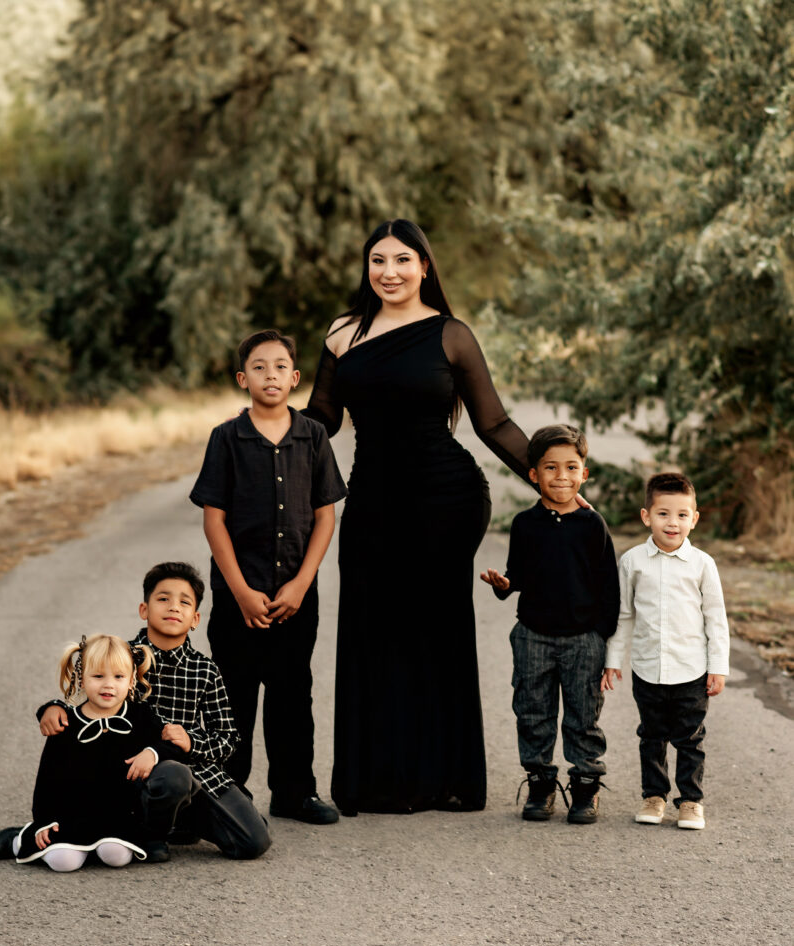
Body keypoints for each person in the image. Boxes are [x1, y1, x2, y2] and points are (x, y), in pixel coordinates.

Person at [304, 218, 536, 815]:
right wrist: (261, 425)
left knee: (435, 629)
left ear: (425, 266)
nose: (389, 272)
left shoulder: (450, 335)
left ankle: (442, 777)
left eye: (402, 260)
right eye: (378, 261)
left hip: (446, 498)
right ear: (367, 268)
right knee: (370, 628)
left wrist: (550, 480)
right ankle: (378, 779)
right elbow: (322, 420)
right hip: (373, 499)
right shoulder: (342, 334)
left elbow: (494, 424)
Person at [190, 329, 347, 825]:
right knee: (233, 693)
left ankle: (295, 792)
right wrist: (239, 591)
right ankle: (230, 794)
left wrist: (302, 583)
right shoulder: (226, 438)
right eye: (259, 367)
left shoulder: (313, 437)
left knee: (292, 692)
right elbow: (213, 517)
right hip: (239, 594)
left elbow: (325, 514)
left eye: (280, 367)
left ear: (296, 377)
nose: (270, 375)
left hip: (297, 597)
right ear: (243, 379)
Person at [33, 563, 272, 859]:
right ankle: (150, 835)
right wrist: (53, 706)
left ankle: (181, 819)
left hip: (197, 772)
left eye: (184, 602)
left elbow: (227, 738)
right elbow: (92, 692)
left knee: (254, 841)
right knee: (170, 777)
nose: (174, 607)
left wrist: (191, 741)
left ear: (195, 618)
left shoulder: (205, 670)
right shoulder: (124, 657)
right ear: (144, 610)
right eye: (163, 599)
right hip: (133, 771)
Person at [481, 425, 620, 824]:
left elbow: (608, 586)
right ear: (533, 475)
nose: (561, 476)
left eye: (570, 467)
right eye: (551, 468)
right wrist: (504, 586)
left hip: (582, 640)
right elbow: (517, 576)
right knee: (533, 711)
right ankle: (541, 784)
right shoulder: (525, 524)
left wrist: (602, 639)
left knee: (582, 716)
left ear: (584, 474)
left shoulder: (593, 525)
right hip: (533, 636)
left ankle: (585, 788)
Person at [0, 634, 183, 871]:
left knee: (116, 856)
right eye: (98, 676)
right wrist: (44, 822)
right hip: (70, 815)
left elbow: (172, 743)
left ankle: (93, 848)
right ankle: (19, 840)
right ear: (81, 678)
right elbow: (47, 779)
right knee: (63, 862)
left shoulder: (140, 715)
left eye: (119, 676)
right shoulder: (66, 723)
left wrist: (151, 752)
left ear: (132, 680)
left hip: (116, 817)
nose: (109, 684)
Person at [603, 473, 729, 830]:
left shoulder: (703, 564)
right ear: (647, 516)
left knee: (690, 739)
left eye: (681, 515)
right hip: (647, 669)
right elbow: (624, 616)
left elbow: (715, 619)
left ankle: (690, 801)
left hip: (692, 670)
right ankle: (654, 796)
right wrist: (613, 660)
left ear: (694, 518)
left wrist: (718, 667)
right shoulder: (632, 561)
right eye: (663, 514)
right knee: (652, 736)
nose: (672, 523)